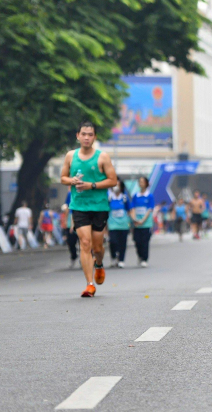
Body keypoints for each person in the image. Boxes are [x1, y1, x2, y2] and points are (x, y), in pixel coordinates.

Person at [60, 121, 118, 297]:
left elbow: (112, 181)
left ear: (94, 137)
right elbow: (62, 177)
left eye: (90, 134)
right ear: (77, 135)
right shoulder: (70, 156)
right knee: (85, 243)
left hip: (99, 206)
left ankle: (99, 264)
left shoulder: (103, 157)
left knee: (97, 248)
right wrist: (72, 181)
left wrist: (91, 185)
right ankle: (89, 284)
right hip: (79, 206)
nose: (86, 137)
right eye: (83, 134)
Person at [130, 176, 154, 267]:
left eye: (143, 181)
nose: (141, 183)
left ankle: (144, 258)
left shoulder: (150, 196)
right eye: (139, 181)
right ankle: (139, 256)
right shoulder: (136, 196)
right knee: (137, 241)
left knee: (145, 242)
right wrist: (134, 219)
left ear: (146, 183)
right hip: (136, 224)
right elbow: (133, 208)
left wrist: (143, 221)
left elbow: (149, 209)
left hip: (146, 223)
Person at [107, 179, 131, 268]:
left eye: (118, 185)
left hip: (123, 225)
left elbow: (129, 210)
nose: (116, 187)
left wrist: (133, 221)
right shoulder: (109, 198)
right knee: (113, 241)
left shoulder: (124, 198)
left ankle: (121, 260)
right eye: (114, 185)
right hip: (112, 225)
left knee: (123, 243)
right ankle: (113, 257)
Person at [61, 202, 79, 269]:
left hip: (79, 225)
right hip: (70, 228)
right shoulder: (70, 198)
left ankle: (83, 260)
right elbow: (66, 210)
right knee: (71, 243)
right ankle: (74, 256)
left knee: (83, 244)